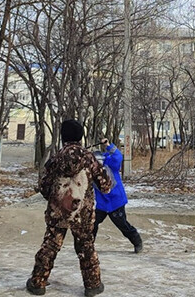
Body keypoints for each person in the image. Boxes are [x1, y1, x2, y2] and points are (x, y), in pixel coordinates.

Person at [26, 120, 113, 297]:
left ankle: (38, 283)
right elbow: (105, 185)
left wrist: (55, 201)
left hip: (58, 213)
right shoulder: (89, 158)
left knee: (50, 245)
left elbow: (44, 186)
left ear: (63, 136)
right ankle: (93, 286)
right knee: (86, 247)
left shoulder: (55, 159)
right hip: (83, 213)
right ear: (80, 137)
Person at [93, 138, 143, 253]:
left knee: (122, 225)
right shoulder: (91, 170)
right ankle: (88, 247)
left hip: (116, 202)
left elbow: (118, 157)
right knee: (92, 223)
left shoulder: (110, 163)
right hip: (101, 204)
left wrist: (108, 145)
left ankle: (137, 241)